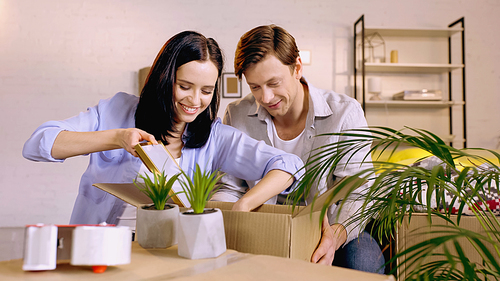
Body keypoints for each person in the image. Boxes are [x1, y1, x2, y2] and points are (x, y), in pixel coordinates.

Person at [22, 31, 304, 227]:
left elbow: (288, 164)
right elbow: (39, 144)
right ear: (163, 78)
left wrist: (244, 205)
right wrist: (117, 137)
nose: (195, 101)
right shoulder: (117, 111)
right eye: (184, 87)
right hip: (100, 249)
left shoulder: (215, 138)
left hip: (168, 257)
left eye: (206, 90)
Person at [216, 25, 385, 273]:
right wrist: (221, 220)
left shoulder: (345, 112)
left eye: (274, 83)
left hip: (331, 226)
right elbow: (230, 186)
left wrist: (336, 235)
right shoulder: (238, 114)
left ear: (297, 67)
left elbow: (359, 189)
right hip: (264, 223)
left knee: (363, 264)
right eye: (255, 87)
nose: (266, 97)